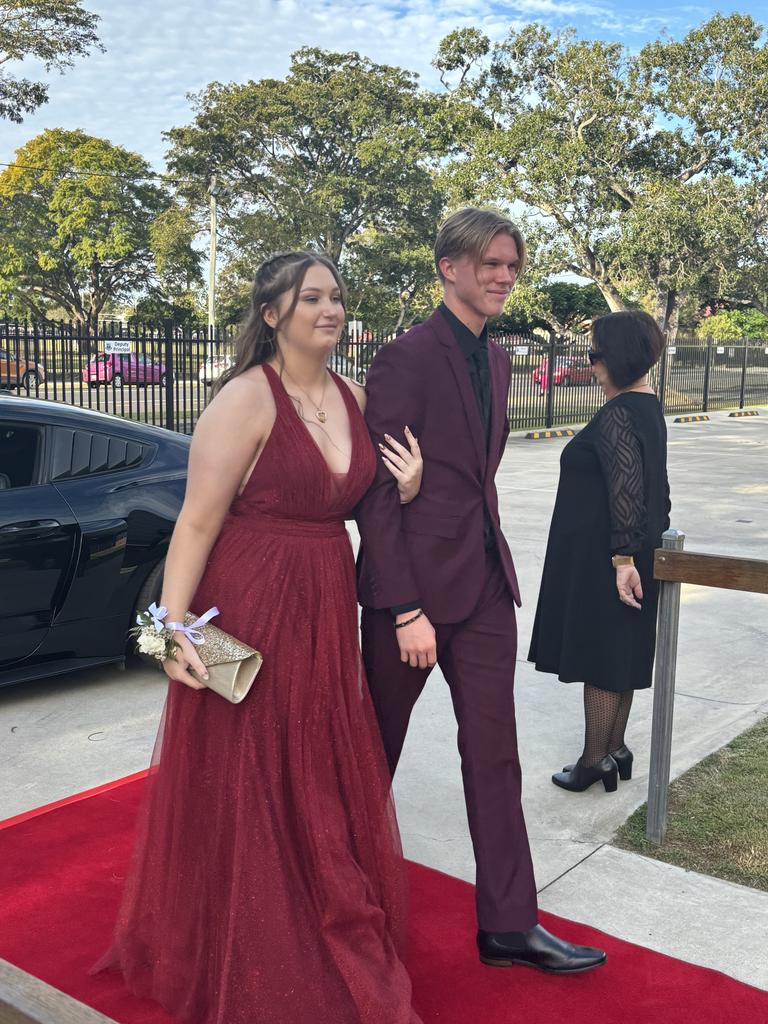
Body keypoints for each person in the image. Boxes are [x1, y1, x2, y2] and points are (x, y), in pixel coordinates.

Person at [96, 252, 424, 1024]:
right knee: (247, 770)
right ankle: (242, 931)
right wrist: (166, 632)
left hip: (321, 600)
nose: (331, 309)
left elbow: (366, 503)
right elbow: (197, 523)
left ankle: (316, 904)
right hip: (245, 600)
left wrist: (403, 487)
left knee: (309, 765)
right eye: (311, 297)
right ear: (272, 314)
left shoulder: (356, 396)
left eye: (338, 296)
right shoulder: (244, 399)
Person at [356, 207, 606, 974]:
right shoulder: (403, 359)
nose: (502, 277)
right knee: (372, 758)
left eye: (511, 266)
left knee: (496, 758)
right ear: (449, 268)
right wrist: (403, 607)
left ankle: (509, 924)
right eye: (489, 263)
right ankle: (339, 908)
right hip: (413, 601)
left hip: (487, 587)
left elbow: (471, 482)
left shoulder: (499, 364)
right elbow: (377, 495)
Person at [528, 310, 671, 793]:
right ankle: (614, 749)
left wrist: (623, 560)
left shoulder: (618, 415)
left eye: (595, 356)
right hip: (630, 552)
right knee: (620, 650)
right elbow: (659, 492)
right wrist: (641, 550)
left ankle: (595, 761)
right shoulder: (649, 408)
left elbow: (627, 489)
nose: (590, 365)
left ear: (617, 358)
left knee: (601, 653)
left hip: (609, 558)